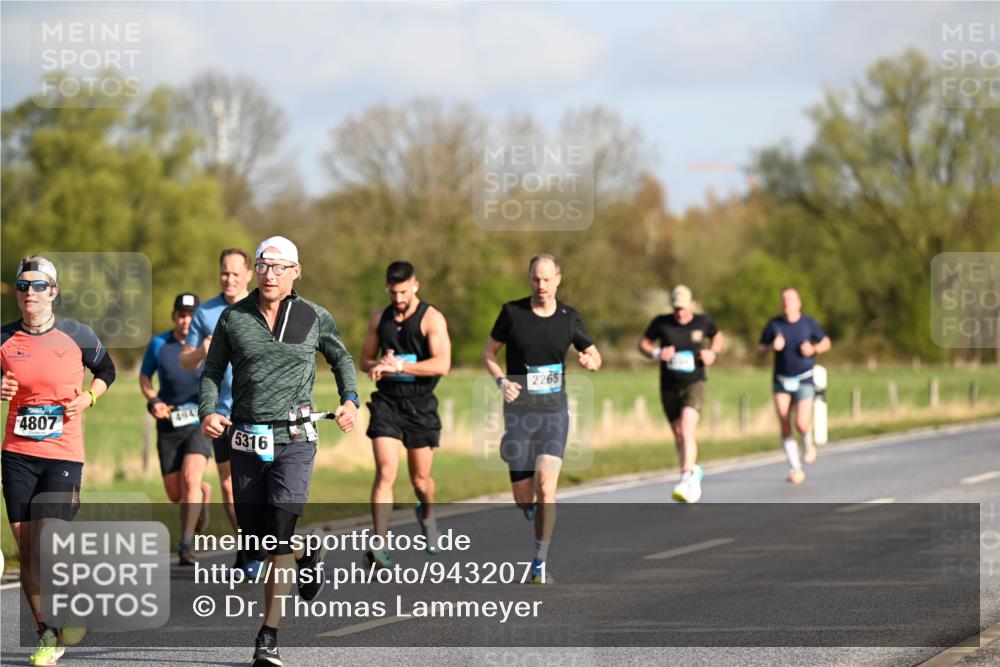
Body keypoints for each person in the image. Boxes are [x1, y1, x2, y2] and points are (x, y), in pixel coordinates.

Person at [198, 236, 359, 667]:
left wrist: (350, 400)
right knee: (259, 537)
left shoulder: (313, 316)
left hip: (296, 438)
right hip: (247, 437)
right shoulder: (235, 318)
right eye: (263, 266)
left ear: (296, 272)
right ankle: (309, 553)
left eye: (278, 267)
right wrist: (208, 410)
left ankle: (267, 635)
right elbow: (213, 370)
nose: (269, 274)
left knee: (278, 530)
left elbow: (342, 360)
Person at [1, 256, 116, 666]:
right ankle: (47, 632)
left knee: (50, 541)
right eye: (22, 285)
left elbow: (106, 370)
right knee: (29, 548)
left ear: (54, 291)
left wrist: (88, 397)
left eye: (37, 285)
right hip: (16, 455)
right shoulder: (3, 339)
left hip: (62, 454)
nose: (28, 292)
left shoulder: (76, 334)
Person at [483, 254, 601, 584]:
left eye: (547, 279)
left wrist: (591, 360)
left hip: (553, 414)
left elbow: (594, 353)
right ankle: (533, 513)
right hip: (519, 415)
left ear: (558, 279)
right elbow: (489, 352)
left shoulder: (569, 318)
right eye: (536, 279)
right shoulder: (512, 313)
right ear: (529, 279)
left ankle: (540, 560)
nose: (541, 285)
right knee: (524, 498)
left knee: (547, 488)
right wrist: (502, 381)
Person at [360, 261, 451, 569]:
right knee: (386, 471)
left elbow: (442, 364)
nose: (398, 298)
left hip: (421, 405)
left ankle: (426, 513)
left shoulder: (431, 318)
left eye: (403, 291)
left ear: (415, 285)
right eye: (392, 292)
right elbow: (364, 359)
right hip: (387, 403)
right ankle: (380, 546)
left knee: (421, 480)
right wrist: (376, 366)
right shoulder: (379, 318)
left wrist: (401, 366)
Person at [179, 248, 261, 574]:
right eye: (224, 273)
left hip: (258, 411)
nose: (229, 279)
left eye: (235, 273)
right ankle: (248, 551)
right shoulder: (205, 312)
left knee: (261, 482)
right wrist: (200, 350)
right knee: (230, 485)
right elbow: (184, 361)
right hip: (222, 413)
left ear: (248, 275)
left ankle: (266, 543)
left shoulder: (261, 307)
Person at [140, 293, 213, 565]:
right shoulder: (159, 344)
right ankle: (203, 492)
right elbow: (145, 376)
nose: (186, 321)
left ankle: (185, 543)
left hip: (199, 422)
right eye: (181, 315)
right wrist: (154, 400)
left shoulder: (208, 345)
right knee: (175, 493)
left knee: (190, 477)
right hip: (169, 424)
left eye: (191, 316)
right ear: (174, 317)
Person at [638, 285, 723, 503]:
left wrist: (712, 352)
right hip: (669, 384)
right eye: (676, 308)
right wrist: (657, 352)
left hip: (694, 382)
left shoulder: (703, 322)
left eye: (683, 308)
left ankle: (686, 478)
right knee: (678, 434)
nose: (680, 313)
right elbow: (643, 344)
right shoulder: (661, 323)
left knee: (686, 429)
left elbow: (717, 336)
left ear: (692, 304)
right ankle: (692, 471)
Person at [756, 287, 832, 484]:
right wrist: (772, 346)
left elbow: (826, 342)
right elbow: (759, 350)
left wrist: (813, 348)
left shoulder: (808, 324)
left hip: (804, 377)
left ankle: (807, 441)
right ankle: (795, 468)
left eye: (790, 299)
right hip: (781, 380)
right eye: (783, 299)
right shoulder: (774, 325)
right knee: (784, 422)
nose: (786, 303)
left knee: (801, 422)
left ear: (799, 303)